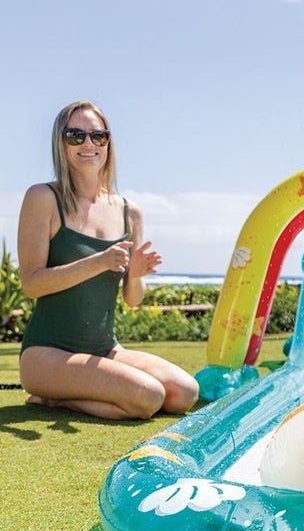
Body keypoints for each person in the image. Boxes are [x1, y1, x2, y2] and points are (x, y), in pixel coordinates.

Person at [16, 100, 199, 420]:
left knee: (184, 392)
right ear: (61, 143)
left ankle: (61, 398)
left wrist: (136, 275)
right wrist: (97, 263)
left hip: (105, 349)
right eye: (75, 136)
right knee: (149, 396)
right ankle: (53, 397)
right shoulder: (43, 198)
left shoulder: (130, 212)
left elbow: (132, 300)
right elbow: (32, 284)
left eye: (97, 135)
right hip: (46, 354)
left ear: (108, 142)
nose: (88, 144)